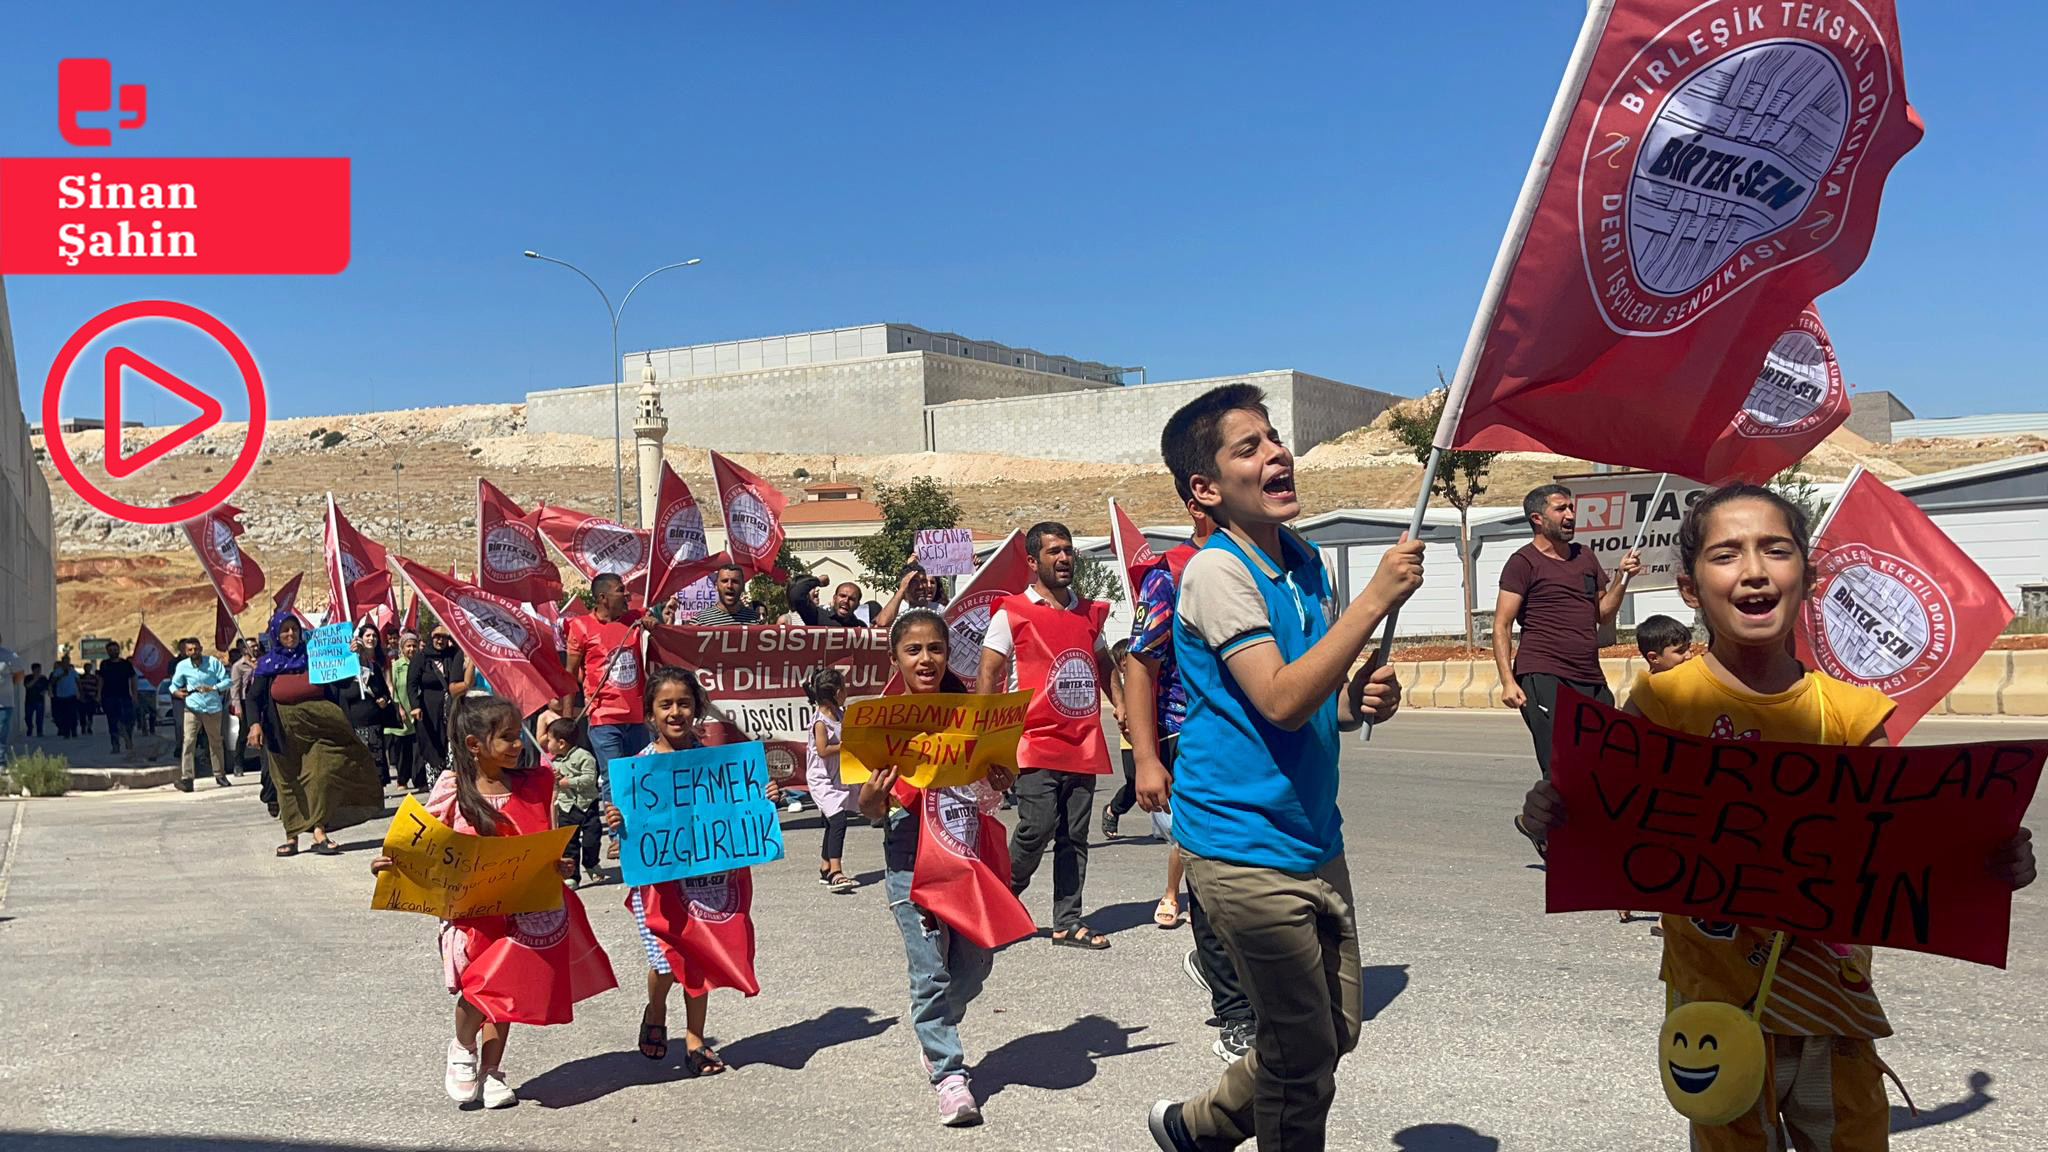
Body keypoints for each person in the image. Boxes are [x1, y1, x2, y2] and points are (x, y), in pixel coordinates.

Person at [1518, 484, 2037, 1152]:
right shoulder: (1661, 702)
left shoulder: (1852, 713)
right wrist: (1550, 817)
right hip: (1716, 1011)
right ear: (1688, 587)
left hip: (1832, 1005)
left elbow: (1915, 840)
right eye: (1726, 554)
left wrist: (1990, 861)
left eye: (1776, 550)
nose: (1754, 570)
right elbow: (1596, 831)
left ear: (1808, 579)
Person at [1146, 383, 1419, 1152]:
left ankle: (1198, 1129)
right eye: (1249, 447)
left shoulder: (1300, 562)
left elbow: (1315, 703)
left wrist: (1358, 702)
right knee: (1303, 1065)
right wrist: (1373, 602)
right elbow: (1279, 700)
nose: (1277, 454)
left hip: (1311, 836)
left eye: (1274, 438)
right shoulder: (1215, 573)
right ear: (1205, 488)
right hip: (1239, 849)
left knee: (1334, 1032)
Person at [373, 694, 612, 1109]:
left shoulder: (531, 785)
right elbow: (421, 840)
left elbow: (545, 844)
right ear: (474, 744)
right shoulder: (452, 788)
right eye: (507, 737)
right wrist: (391, 861)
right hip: (472, 917)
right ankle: (463, 1048)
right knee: (478, 990)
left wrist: (558, 865)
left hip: (521, 910)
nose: (519, 744)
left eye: (518, 734)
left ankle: (493, 1070)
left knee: (506, 991)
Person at [860, 608, 1017, 1127]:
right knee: (929, 971)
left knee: (974, 965)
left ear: (948, 654)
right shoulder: (878, 722)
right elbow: (867, 808)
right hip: (909, 861)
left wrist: (999, 773)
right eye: (913, 650)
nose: (925, 659)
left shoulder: (970, 711)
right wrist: (873, 798)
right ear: (895, 658)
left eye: (935, 649)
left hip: (965, 857)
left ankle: (935, 1026)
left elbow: (995, 786)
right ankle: (949, 1075)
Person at [1125, 496, 1260, 1062]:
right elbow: (1141, 661)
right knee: (1210, 870)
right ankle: (1235, 1012)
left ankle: (1220, 966)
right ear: (1201, 500)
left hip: (1266, 739)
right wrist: (1147, 757)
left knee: (1260, 870)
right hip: (1192, 735)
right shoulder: (1172, 572)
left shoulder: (1284, 561)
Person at [601, 667, 751, 1079]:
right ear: (650, 713)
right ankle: (656, 1007)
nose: (676, 712)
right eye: (665, 704)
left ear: (696, 708)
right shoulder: (637, 770)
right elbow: (624, 823)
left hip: (702, 878)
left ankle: (694, 1039)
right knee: (666, 962)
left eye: (684, 703)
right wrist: (617, 819)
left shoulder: (716, 762)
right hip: (655, 884)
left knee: (695, 958)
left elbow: (737, 810)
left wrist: (762, 797)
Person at [979, 521, 1117, 951]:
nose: (1064, 558)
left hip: (1083, 742)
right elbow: (988, 670)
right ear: (1033, 561)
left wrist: (1124, 704)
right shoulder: (1012, 612)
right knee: (1035, 827)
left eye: (1069, 551)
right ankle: (998, 902)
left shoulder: (1088, 612)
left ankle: (1067, 922)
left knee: (1074, 836)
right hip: (1032, 741)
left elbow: (1104, 664)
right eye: (1054, 551)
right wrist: (988, 736)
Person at [1494, 484, 1640, 856]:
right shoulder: (1523, 562)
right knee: (1562, 767)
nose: (1572, 515)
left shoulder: (1585, 558)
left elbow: (1602, 614)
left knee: (1609, 760)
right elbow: (1501, 624)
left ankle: (1537, 823)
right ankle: (1565, 840)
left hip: (1589, 676)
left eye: (1572, 508)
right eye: (1562, 509)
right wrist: (1508, 682)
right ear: (1538, 519)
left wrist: (1623, 578)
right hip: (1542, 673)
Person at [247, 611, 384, 856]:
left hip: (321, 726)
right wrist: (254, 725)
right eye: (285, 630)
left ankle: (319, 832)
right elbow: (254, 698)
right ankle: (292, 836)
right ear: (276, 635)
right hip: (282, 730)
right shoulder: (268, 664)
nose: (291, 634)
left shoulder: (316, 655)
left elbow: (342, 681)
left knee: (321, 775)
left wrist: (353, 655)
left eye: (294, 629)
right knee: (288, 781)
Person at [562, 573, 650, 779]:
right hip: (604, 719)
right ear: (603, 598)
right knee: (616, 778)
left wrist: (657, 621)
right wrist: (567, 718)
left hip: (638, 718)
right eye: (620, 590)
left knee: (644, 776)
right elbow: (570, 673)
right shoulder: (580, 626)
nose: (627, 595)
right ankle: (615, 813)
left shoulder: (636, 620)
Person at [804, 667, 859, 893]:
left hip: (837, 775)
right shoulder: (820, 722)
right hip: (821, 778)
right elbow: (823, 749)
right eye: (844, 688)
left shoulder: (839, 714)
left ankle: (825, 866)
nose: (847, 692)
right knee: (838, 820)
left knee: (831, 819)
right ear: (837, 692)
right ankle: (837, 870)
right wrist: (846, 747)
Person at [542, 717, 602, 887]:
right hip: (566, 807)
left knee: (592, 839)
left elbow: (590, 778)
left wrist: (568, 782)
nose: (547, 744)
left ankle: (591, 863)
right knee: (570, 844)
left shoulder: (584, 756)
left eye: (549, 740)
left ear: (561, 743)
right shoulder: (554, 763)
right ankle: (573, 876)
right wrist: (553, 779)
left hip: (586, 805)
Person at [336, 623, 396, 787]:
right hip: (353, 722)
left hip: (373, 723)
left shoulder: (374, 666)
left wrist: (384, 699)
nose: (371, 639)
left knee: (376, 764)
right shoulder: (345, 668)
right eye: (367, 636)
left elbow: (384, 690)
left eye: (374, 636)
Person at [169, 637, 232, 791]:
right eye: (190, 650)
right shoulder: (182, 666)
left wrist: (214, 687)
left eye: (196, 649)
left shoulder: (213, 662)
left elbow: (227, 681)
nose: (193, 652)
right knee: (188, 742)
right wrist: (177, 692)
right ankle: (187, 779)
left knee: (215, 742)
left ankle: (220, 774)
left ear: (201, 648)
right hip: (192, 708)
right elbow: (174, 685)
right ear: (185, 651)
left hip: (212, 708)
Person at [409, 626, 468, 780]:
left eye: (444, 637)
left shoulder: (453, 656)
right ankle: (435, 785)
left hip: (452, 709)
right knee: (432, 745)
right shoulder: (420, 658)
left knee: (452, 744)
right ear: (430, 637)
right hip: (429, 710)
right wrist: (415, 706)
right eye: (437, 636)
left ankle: (452, 783)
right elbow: (412, 685)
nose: (440, 640)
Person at [385, 632, 424, 791]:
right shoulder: (396, 666)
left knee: (418, 749)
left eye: (414, 645)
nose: (412, 649)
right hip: (402, 713)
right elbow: (392, 687)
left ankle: (420, 780)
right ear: (402, 648)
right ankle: (402, 779)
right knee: (402, 749)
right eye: (408, 646)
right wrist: (398, 707)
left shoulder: (423, 663)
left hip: (418, 713)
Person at [98, 642, 138, 754]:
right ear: (107, 652)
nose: (113, 652)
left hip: (124, 696)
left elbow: (133, 679)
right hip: (109, 697)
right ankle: (115, 745)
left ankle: (127, 736)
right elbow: (101, 680)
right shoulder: (104, 664)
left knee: (129, 720)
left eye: (115, 649)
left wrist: (134, 694)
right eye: (110, 650)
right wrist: (99, 695)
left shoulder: (126, 664)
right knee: (112, 721)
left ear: (119, 650)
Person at [691, 563, 762, 626]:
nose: (729, 586)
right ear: (716, 586)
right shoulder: (700, 621)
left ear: (742, 587)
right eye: (724, 581)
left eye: (735, 581)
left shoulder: (754, 621)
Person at [873, 562, 935, 630]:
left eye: (923, 581)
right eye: (914, 582)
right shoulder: (897, 609)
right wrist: (901, 590)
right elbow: (882, 623)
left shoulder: (938, 609)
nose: (920, 586)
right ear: (905, 584)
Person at [230, 638, 261, 772]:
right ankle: (238, 763)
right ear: (244, 650)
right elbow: (235, 688)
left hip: (261, 699)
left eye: (256, 646)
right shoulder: (238, 666)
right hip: (246, 701)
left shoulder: (263, 662)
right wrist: (237, 706)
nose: (255, 649)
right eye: (251, 647)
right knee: (243, 734)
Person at [50, 657, 79, 739]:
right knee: (63, 715)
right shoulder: (57, 671)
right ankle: (66, 732)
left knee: (73, 714)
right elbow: (53, 682)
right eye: (64, 662)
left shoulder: (73, 671)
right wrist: (61, 675)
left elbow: (78, 681)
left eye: (67, 662)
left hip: (71, 695)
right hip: (61, 696)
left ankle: (74, 730)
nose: (66, 663)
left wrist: (80, 692)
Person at [23, 662, 48, 737]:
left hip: (40, 701)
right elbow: (27, 686)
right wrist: (35, 679)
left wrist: (45, 691)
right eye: (37, 670)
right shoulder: (28, 677)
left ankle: (39, 731)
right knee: (28, 717)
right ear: (33, 670)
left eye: (39, 670)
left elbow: (46, 687)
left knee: (39, 717)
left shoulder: (43, 678)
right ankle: (30, 728)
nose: (39, 671)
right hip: (29, 701)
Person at [77, 660, 101, 735]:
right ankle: (83, 727)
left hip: (91, 698)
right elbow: (78, 687)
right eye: (86, 668)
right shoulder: (80, 677)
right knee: (82, 714)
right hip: (83, 698)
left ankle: (89, 727)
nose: (88, 669)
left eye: (89, 668)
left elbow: (98, 686)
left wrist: (97, 696)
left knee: (90, 714)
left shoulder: (94, 678)